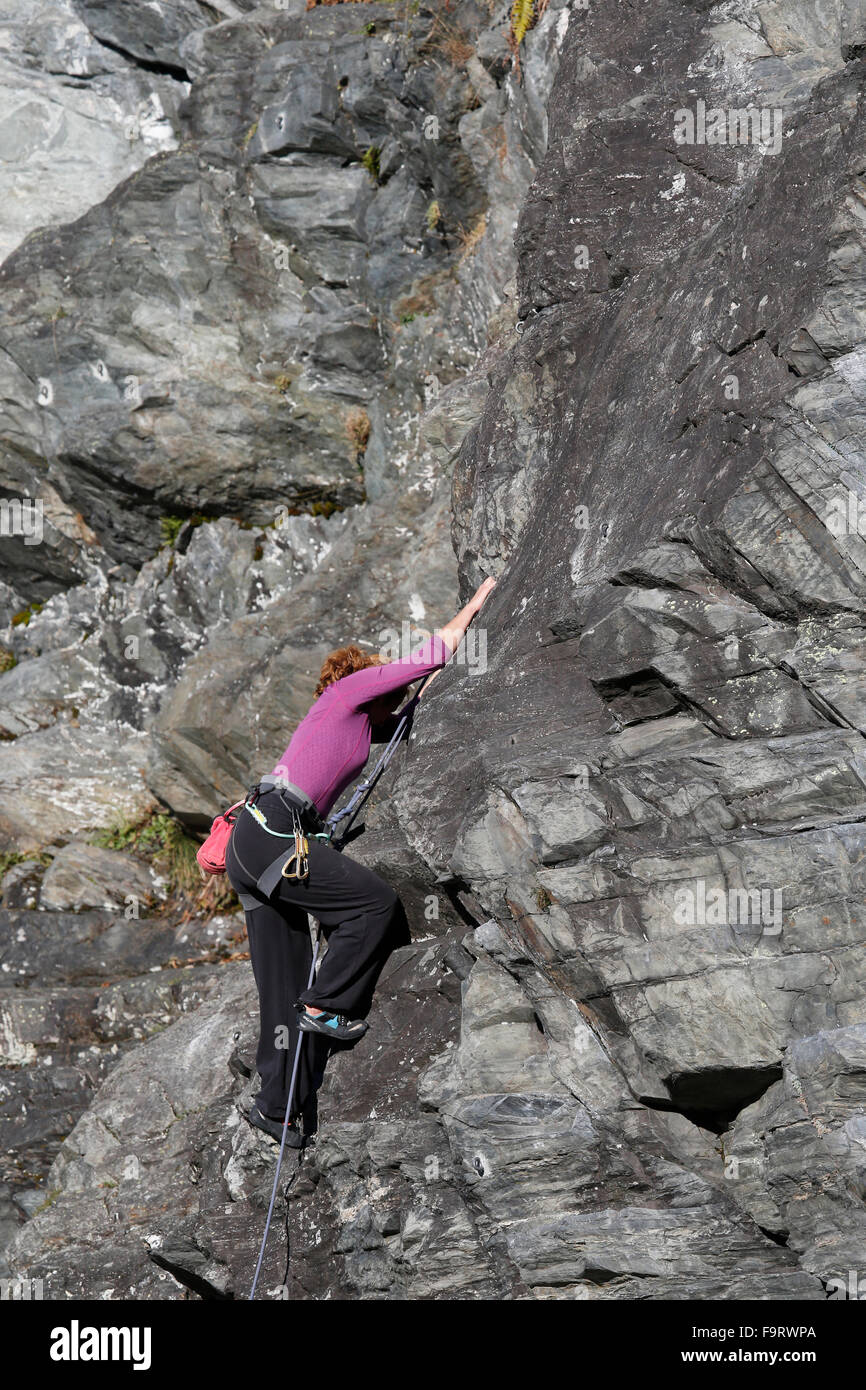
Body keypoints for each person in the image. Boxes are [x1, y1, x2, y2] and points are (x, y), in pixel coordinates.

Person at [226, 577, 496, 1146]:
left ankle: (276, 1109)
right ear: (361, 678)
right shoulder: (345, 693)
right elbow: (424, 659)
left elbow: (400, 714)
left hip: (255, 843)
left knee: (283, 989)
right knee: (373, 905)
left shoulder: (348, 724)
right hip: (273, 834)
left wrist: (422, 696)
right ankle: (328, 1005)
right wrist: (471, 609)